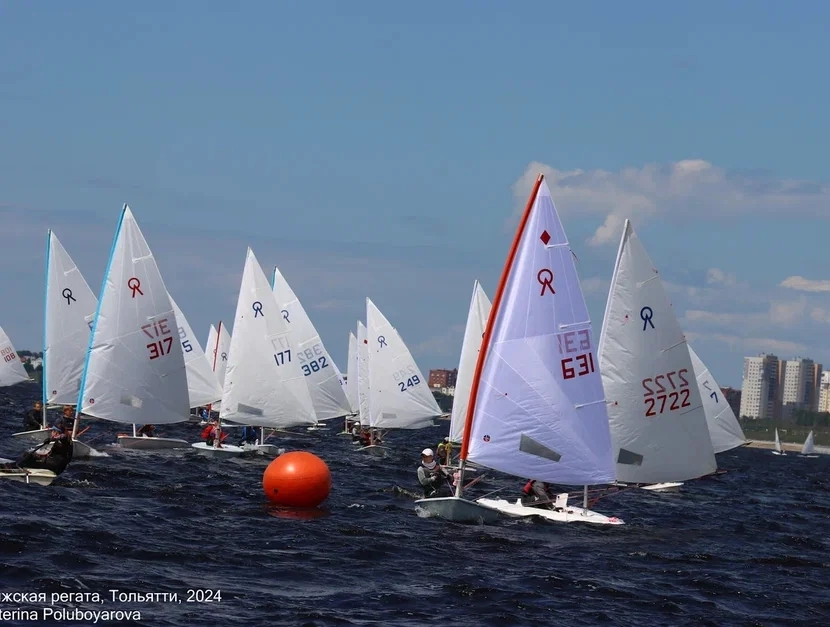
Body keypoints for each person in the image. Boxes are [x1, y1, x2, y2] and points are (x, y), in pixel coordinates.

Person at [1, 431, 74, 476]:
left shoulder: (64, 439)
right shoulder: (70, 444)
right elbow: (68, 458)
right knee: (32, 455)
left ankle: (12, 467)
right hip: (58, 466)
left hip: (53, 464)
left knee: (28, 455)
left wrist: (51, 439)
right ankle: (14, 465)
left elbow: (62, 437)